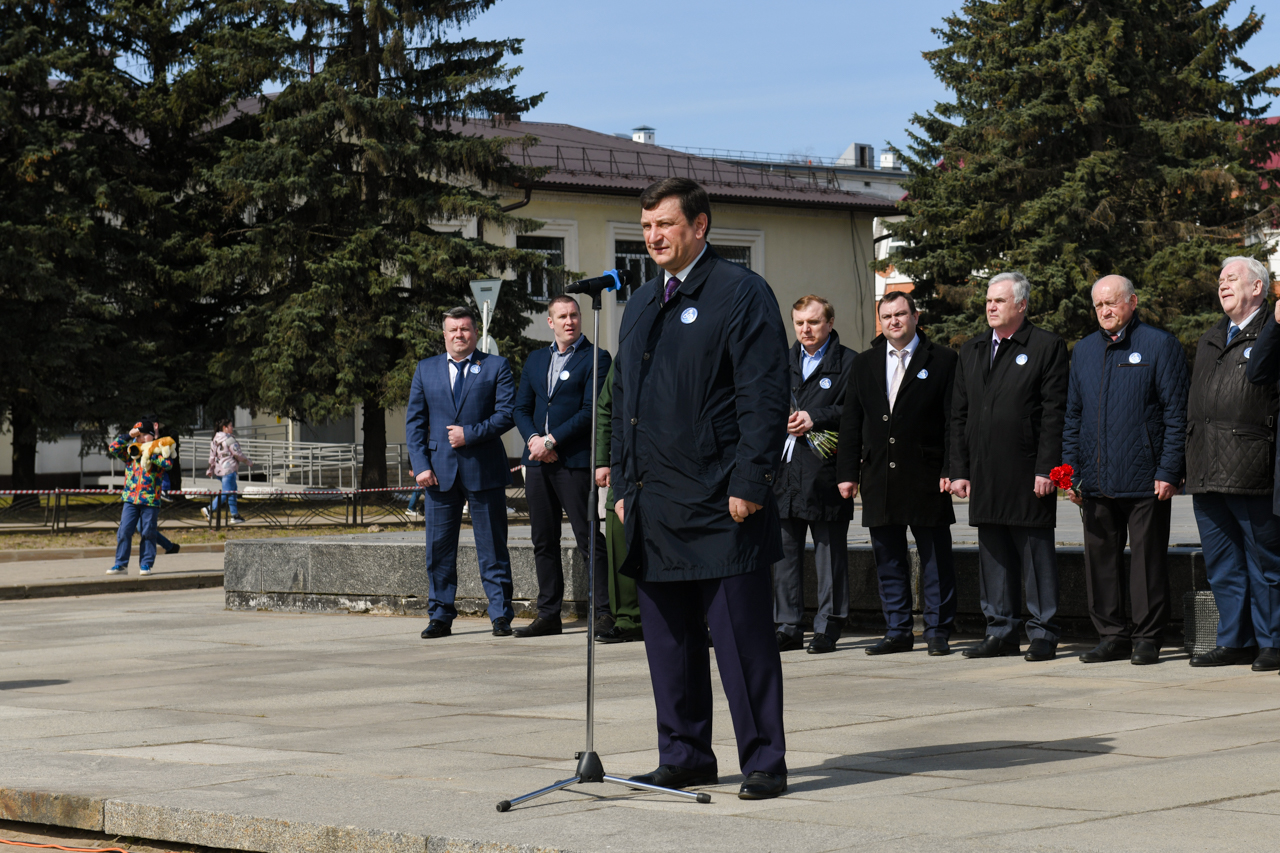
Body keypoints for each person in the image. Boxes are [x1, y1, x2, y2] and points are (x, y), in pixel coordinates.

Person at [611, 177, 790, 801]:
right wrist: (621, 480)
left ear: (700, 226)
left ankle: (764, 759)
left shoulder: (741, 293)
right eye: (646, 227)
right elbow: (623, 402)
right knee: (669, 643)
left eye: (665, 224)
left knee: (741, 642)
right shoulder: (639, 305)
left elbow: (764, 397)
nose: (654, 236)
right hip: (655, 501)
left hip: (722, 501)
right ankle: (684, 754)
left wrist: (751, 480)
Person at [1063, 275, 1188, 666]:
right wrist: (1070, 475)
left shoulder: (1159, 344)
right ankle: (1111, 636)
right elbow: (1073, 418)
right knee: (1099, 562)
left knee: (1147, 563)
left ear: (1132, 302)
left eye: (1112, 303)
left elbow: (1176, 413)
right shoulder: (1083, 351)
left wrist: (1169, 469)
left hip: (1145, 478)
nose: (1105, 311)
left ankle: (1148, 637)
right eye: (1099, 305)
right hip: (1094, 480)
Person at [950, 272, 1069, 661]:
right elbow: (959, 415)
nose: (990, 307)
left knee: (1035, 553)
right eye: (988, 301)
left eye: (999, 301)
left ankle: (1043, 632)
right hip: (984, 469)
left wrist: (1047, 468)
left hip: (1026, 469)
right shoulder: (973, 349)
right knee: (993, 553)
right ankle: (1000, 630)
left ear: (1021, 305)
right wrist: (960, 469)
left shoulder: (1045, 346)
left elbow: (1054, 412)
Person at [838, 291, 958, 656]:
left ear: (915, 316)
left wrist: (952, 468)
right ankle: (898, 630)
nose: (894, 321)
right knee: (888, 558)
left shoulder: (944, 361)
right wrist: (847, 473)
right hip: (879, 477)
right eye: (887, 316)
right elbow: (851, 422)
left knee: (935, 558)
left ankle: (937, 630)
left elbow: (954, 420)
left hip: (927, 476)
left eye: (901, 314)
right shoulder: (865, 363)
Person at [406, 306, 516, 639]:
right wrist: (421, 465)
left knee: (493, 548)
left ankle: (500, 615)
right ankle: (440, 615)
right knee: (438, 549)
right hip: (438, 475)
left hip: (484, 471)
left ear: (475, 332)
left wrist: (470, 433)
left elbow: (507, 413)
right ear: (444, 334)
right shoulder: (426, 370)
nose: (459, 335)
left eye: (465, 329)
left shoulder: (496, 366)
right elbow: (415, 423)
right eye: (453, 330)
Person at [1193, 256, 1280, 672]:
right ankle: (1234, 639)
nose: (1222, 285)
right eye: (1220, 279)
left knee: (1264, 562)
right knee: (1222, 563)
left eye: (1232, 279)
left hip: (1252, 463)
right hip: (1206, 467)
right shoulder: (1211, 338)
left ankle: (1272, 641)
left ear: (1259, 288)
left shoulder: (1272, 333)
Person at [513, 295, 613, 638]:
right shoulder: (537, 359)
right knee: (544, 539)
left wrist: (551, 442)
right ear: (550, 322)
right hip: (538, 464)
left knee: (588, 539)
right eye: (562, 316)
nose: (569, 321)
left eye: (574, 315)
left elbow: (590, 412)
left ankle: (604, 613)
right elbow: (520, 409)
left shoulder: (596, 357)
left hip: (573, 462)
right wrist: (534, 442)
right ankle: (548, 614)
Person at [772, 295, 855, 654]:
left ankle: (829, 625)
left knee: (829, 554)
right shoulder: (780, 361)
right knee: (784, 555)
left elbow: (855, 411)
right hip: (784, 471)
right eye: (800, 323)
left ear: (830, 323)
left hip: (826, 472)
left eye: (814, 322)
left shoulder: (850, 362)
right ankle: (788, 624)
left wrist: (814, 418)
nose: (806, 329)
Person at [594, 362, 643, 643]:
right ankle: (627, 618)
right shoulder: (626, 355)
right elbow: (605, 408)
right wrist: (602, 460)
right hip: (624, 462)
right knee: (617, 533)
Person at [105, 419, 174, 577]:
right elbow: (113, 448)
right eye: (138, 436)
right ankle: (121, 565)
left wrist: (149, 452)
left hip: (150, 500)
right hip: (131, 499)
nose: (140, 439)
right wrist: (129, 435)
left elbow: (168, 464)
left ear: (151, 436)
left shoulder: (160, 449)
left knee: (148, 533)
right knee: (124, 531)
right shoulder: (132, 452)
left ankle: (146, 565)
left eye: (144, 435)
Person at [202, 419, 249, 525]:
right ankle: (209, 509)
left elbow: (212, 456)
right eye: (231, 426)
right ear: (225, 428)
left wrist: (210, 469)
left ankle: (235, 515)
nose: (232, 428)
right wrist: (248, 462)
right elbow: (238, 455)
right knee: (227, 492)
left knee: (232, 491)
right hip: (229, 470)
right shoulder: (229, 440)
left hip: (219, 471)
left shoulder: (215, 439)